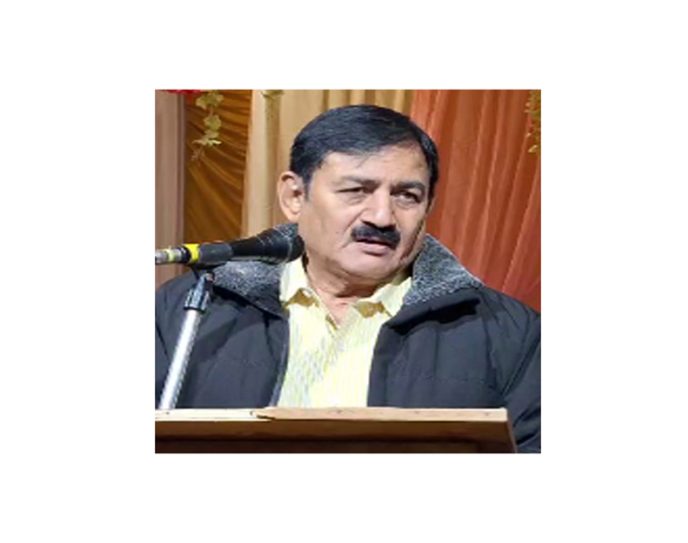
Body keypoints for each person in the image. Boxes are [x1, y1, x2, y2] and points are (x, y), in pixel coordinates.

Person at [155, 104, 541, 452]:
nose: (382, 217)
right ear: (294, 196)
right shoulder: (189, 312)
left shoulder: (509, 333)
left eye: (406, 196)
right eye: (357, 190)